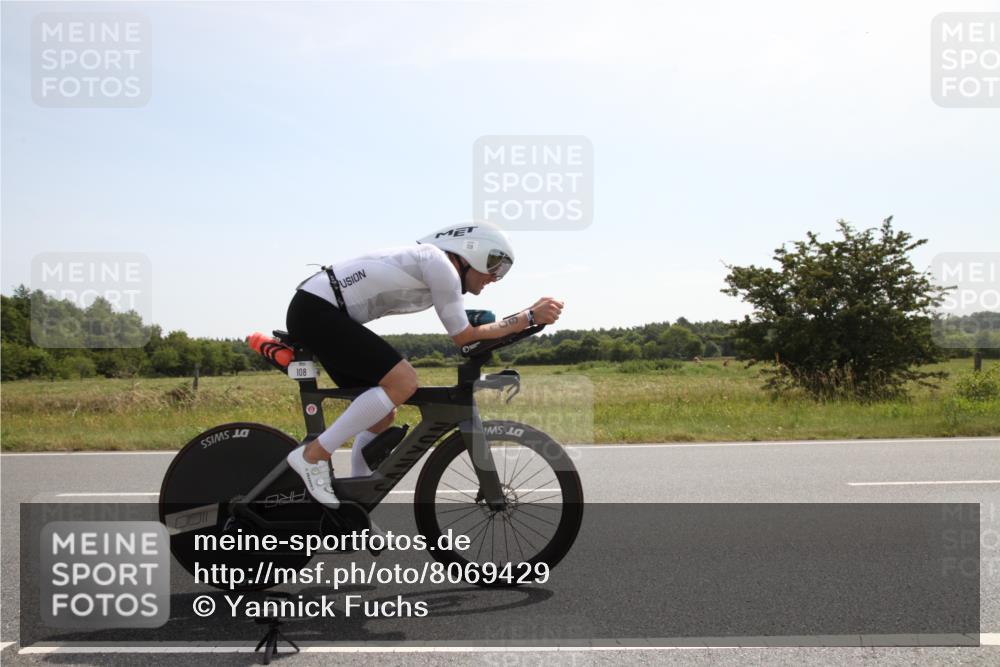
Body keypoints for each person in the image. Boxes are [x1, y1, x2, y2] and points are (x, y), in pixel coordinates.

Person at [284, 222, 564, 508]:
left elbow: (469, 337)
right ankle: (313, 455)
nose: (495, 276)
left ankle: (357, 501)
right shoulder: (439, 264)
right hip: (316, 310)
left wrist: (525, 319)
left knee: (382, 417)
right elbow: (465, 338)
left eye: (503, 271)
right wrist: (528, 317)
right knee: (403, 382)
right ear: (471, 251)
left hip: (319, 311)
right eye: (494, 263)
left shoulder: (437, 269)